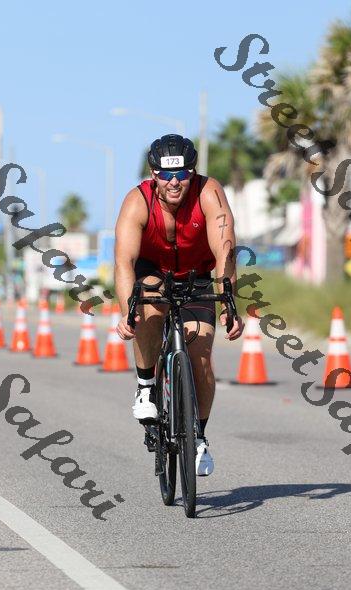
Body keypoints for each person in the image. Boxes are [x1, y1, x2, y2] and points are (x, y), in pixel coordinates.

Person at [115, 134, 244, 476]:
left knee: (201, 351)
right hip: (152, 271)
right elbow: (124, 262)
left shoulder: (209, 193)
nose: (175, 182)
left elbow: (225, 250)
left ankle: (198, 437)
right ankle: (146, 388)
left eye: (183, 174)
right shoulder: (137, 201)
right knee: (150, 302)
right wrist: (127, 311)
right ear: (153, 174)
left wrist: (229, 302)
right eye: (166, 175)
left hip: (196, 275)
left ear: (192, 172)